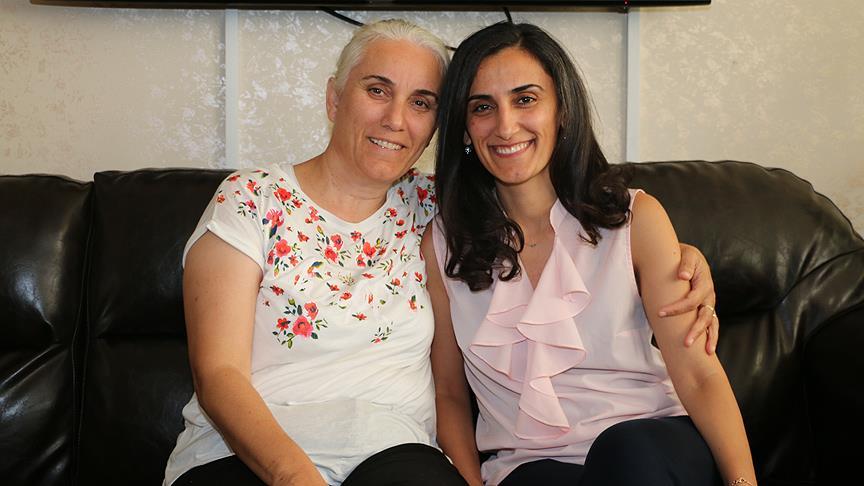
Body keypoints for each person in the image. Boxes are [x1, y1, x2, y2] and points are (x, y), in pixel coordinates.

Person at [164, 19, 720, 486]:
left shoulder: (435, 209)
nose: (396, 119)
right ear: (334, 97)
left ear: (437, 125)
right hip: (247, 456)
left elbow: (565, 223)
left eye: (421, 102)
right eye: (376, 90)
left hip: (392, 453)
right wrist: (294, 477)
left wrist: (681, 256)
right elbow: (219, 374)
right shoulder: (252, 199)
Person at [424, 22, 756, 486]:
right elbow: (449, 394)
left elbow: (699, 374)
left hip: (649, 443)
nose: (505, 125)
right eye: (482, 107)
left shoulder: (636, 219)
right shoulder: (443, 244)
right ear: (463, 127)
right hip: (531, 465)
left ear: (562, 110)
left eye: (525, 99)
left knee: (624, 451)